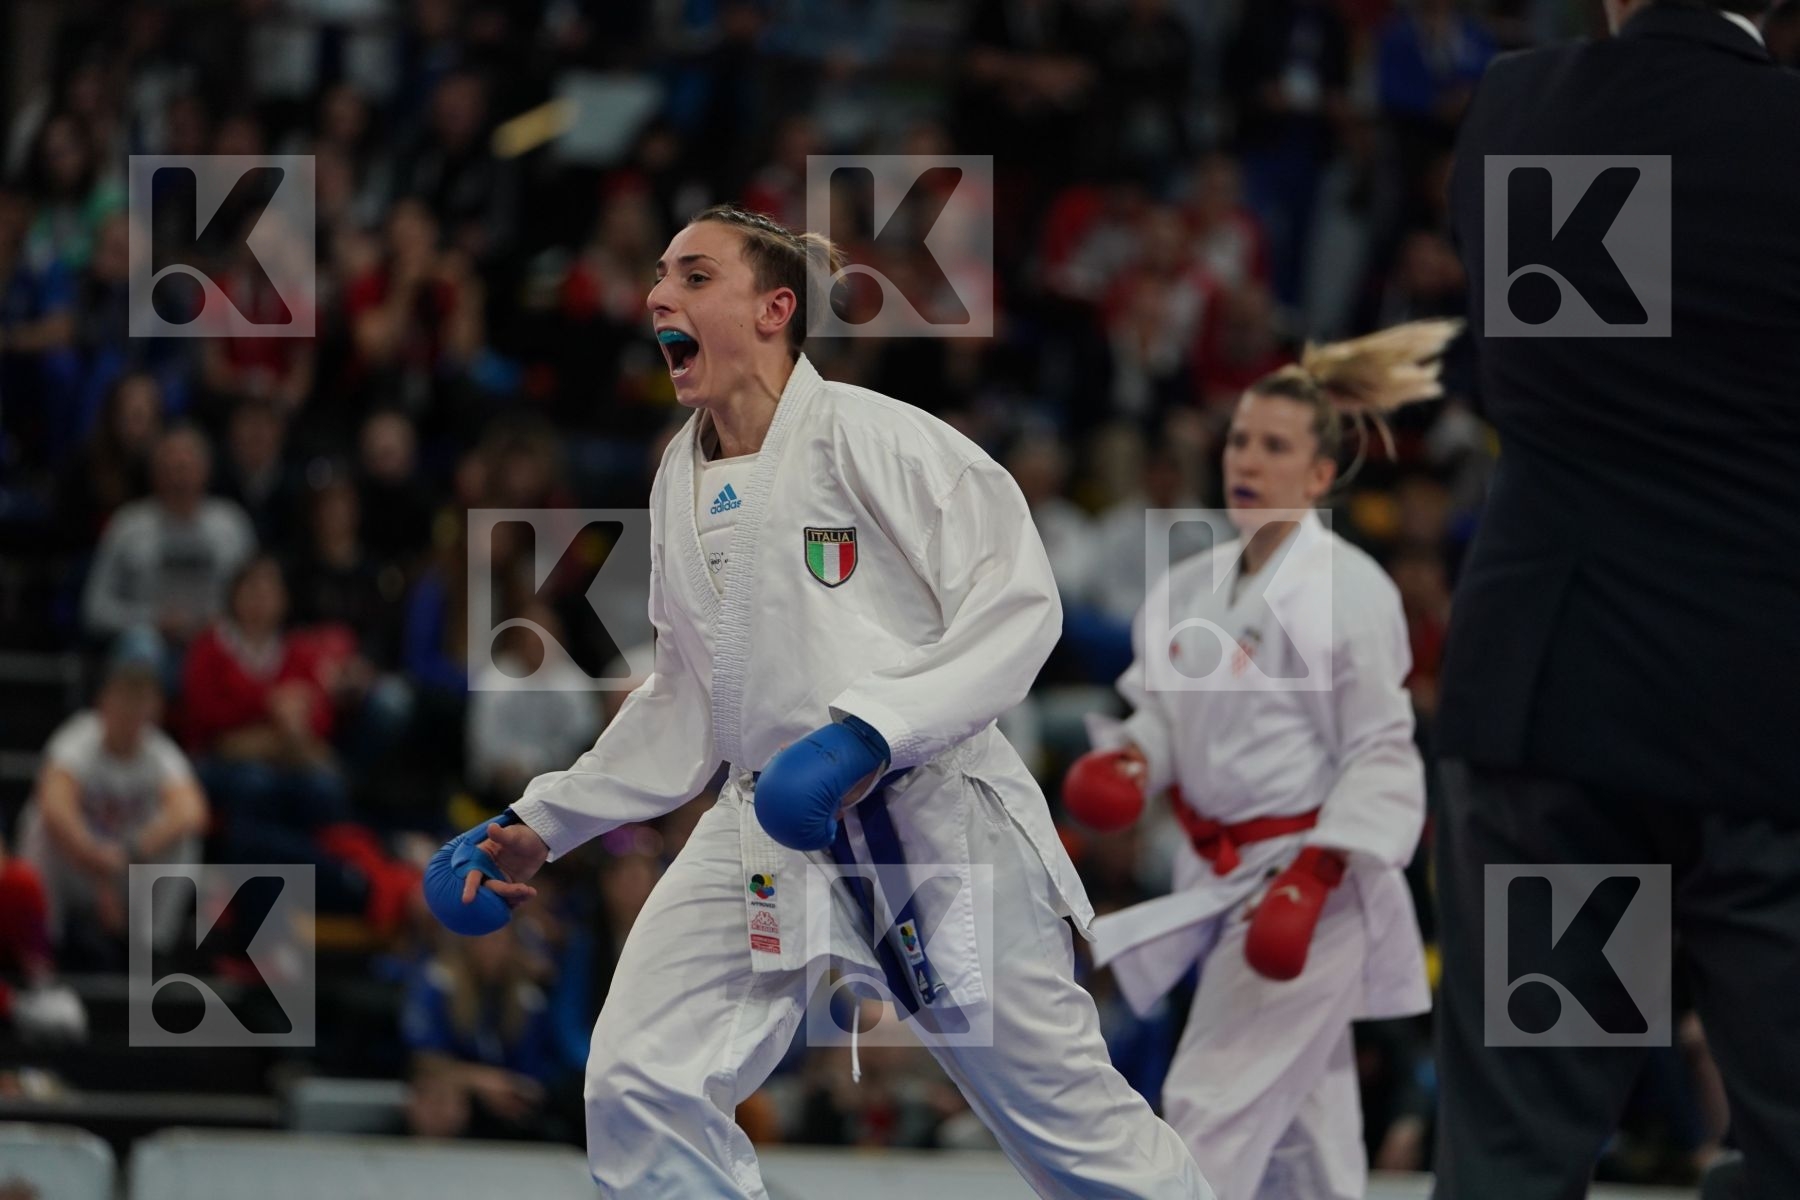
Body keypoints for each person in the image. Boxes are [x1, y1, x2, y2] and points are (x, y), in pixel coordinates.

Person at [425, 205, 1213, 1198]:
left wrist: (870, 736)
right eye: (661, 276)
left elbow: (1021, 604)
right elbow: (681, 696)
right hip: (767, 830)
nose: (660, 294)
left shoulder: (878, 438)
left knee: (1070, 1127)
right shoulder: (678, 476)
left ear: (774, 308)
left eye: (695, 276)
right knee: (637, 1077)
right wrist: (543, 822)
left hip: (928, 825)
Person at [1433, 3, 1800, 1197]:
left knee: (1518, 1152)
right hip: (1765, 725)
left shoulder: (1522, 108)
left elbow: (1501, 367)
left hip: (1559, 711)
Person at [1063, 321, 1457, 1200]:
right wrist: (1133, 759)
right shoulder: (1189, 583)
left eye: (1275, 446)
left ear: (1320, 475)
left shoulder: (1348, 587)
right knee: (1305, 1145)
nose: (1248, 458)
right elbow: (1163, 712)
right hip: (1224, 873)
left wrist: (1316, 872)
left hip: (1311, 884)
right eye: (1241, 437)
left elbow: (1384, 752)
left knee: (1208, 1105)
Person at [16, 654, 208, 970]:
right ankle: (42, 945)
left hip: (127, 866)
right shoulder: (79, 738)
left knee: (185, 841)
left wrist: (133, 850)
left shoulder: (159, 752)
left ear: (155, 711)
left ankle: (152, 950)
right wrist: (91, 853)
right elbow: (54, 800)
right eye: (124, 699)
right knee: (39, 824)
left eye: (140, 702)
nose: (131, 712)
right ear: (103, 702)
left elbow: (191, 809)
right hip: (78, 863)